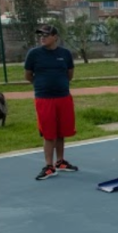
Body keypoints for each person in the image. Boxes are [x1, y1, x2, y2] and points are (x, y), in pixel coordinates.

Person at [24, 24, 78, 180]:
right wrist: (42, 85)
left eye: (46, 35)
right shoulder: (34, 54)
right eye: (40, 35)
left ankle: (60, 161)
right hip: (44, 99)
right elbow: (28, 76)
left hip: (63, 97)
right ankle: (49, 166)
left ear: (55, 37)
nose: (42, 37)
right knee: (49, 133)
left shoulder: (65, 54)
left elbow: (70, 74)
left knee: (62, 131)